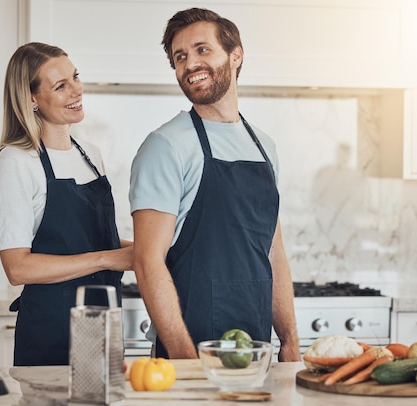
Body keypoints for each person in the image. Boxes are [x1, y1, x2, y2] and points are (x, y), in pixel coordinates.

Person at [129, 8, 301, 362]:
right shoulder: (166, 145)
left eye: (202, 50)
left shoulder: (264, 147)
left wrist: (290, 340)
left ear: (235, 55)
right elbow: (148, 262)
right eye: (180, 57)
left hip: (255, 352)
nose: (190, 63)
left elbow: (274, 253)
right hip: (190, 353)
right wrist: (185, 359)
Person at [0, 42, 133, 366]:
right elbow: (18, 266)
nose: (76, 90)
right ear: (32, 99)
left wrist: (141, 252)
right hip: (52, 333)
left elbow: (91, 243)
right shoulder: (17, 162)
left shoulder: (90, 155)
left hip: (102, 326)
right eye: (60, 86)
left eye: (75, 77)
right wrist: (108, 258)